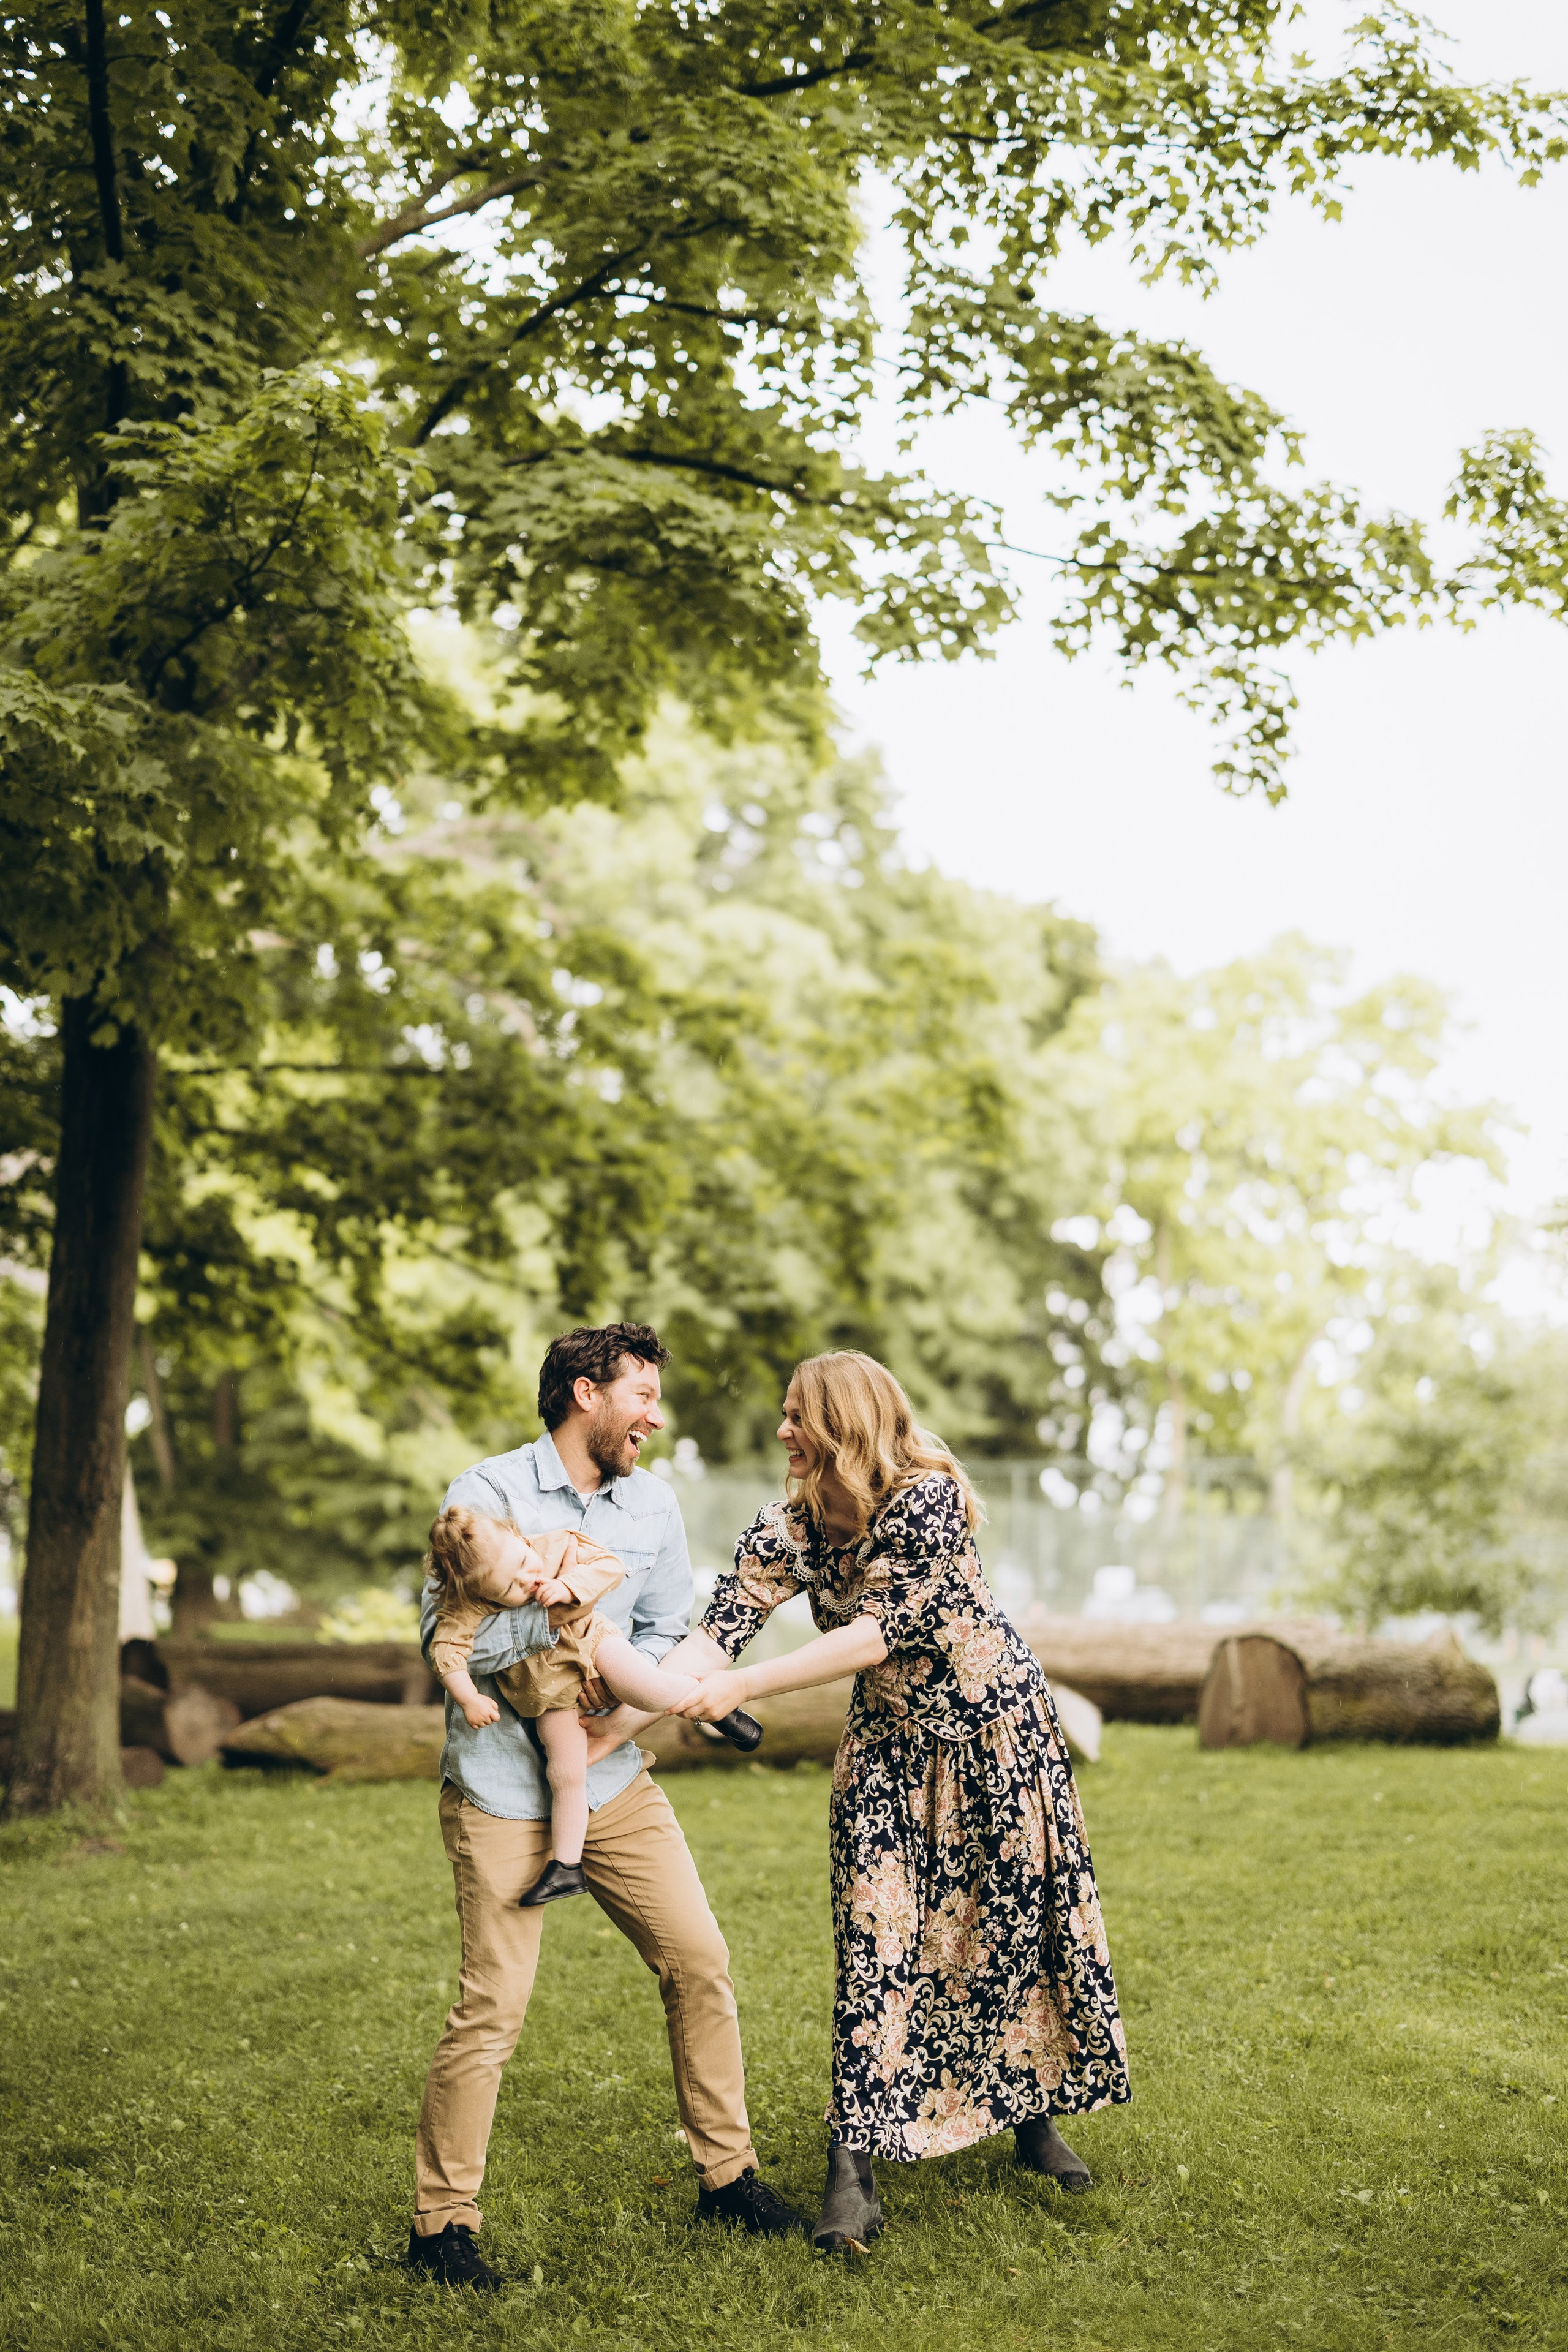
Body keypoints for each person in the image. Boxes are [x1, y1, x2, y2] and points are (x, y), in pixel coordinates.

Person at [662, 1349, 1132, 2253]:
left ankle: (1027, 2115)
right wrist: (656, 1689)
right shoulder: (788, 1526)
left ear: (844, 1421)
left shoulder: (928, 1499)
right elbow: (718, 1628)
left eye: (797, 1415)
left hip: (996, 1737)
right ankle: (853, 2170)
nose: (781, 1431)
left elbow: (875, 1635)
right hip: (887, 1751)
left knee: (1007, 1933)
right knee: (876, 1943)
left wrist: (744, 1690)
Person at [406, 1322, 805, 2290]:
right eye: (641, 1394)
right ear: (587, 1393)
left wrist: (615, 1724)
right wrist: (555, 1628)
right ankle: (440, 2228)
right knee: (493, 2006)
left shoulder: (652, 1503)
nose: (654, 1416)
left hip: (614, 1780)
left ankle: (727, 2176)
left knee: (699, 1960)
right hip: (503, 1790)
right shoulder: (489, 1493)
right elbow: (441, 1633)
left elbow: (671, 1628)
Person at [424, 1507, 761, 1906]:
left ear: (518, 1535)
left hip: (592, 1641)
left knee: (648, 1690)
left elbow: (610, 1566)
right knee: (565, 1773)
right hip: (551, 1694)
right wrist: (470, 1698)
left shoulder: (552, 1545)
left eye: (523, 1563)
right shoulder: (467, 1604)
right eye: (511, 1587)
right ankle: (566, 1867)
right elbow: (446, 1651)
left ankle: (714, 1704)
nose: (528, 1579)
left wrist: (570, 1587)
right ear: (481, 1593)